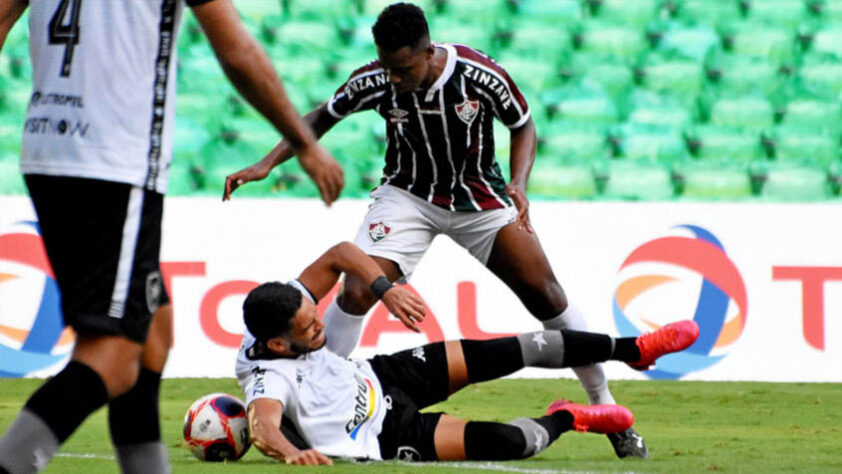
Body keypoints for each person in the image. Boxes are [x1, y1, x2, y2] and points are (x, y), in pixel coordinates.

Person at [223, 1, 648, 458]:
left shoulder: (480, 76)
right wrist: (267, 163)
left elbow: (523, 126)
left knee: (544, 292)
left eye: (402, 68)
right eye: (387, 67)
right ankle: (327, 393)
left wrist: (519, 184)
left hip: (477, 195)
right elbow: (322, 116)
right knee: (357, 292)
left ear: (427, 53)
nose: (393, 79)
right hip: (407, 196)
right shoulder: (375, 79)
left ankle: (604, 405)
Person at [0, 1, 343, 473]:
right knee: (114, 354)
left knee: (152, 331)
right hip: (113, 163)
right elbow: (236, 50)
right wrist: (304, 143)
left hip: (46, 150)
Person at [235, 241, 701, 464]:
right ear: (277, 345)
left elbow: (339, 253)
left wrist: (385, 289)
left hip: (381, 374)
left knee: (520, 347)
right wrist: (290, 455)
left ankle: (634, 349)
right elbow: (262, 425)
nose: (321, 324)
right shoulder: (265, 378)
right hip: (384, 432)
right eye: (309, 327)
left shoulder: (284, 308)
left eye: (315, 314)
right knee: (516, 444)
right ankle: (569, 416)